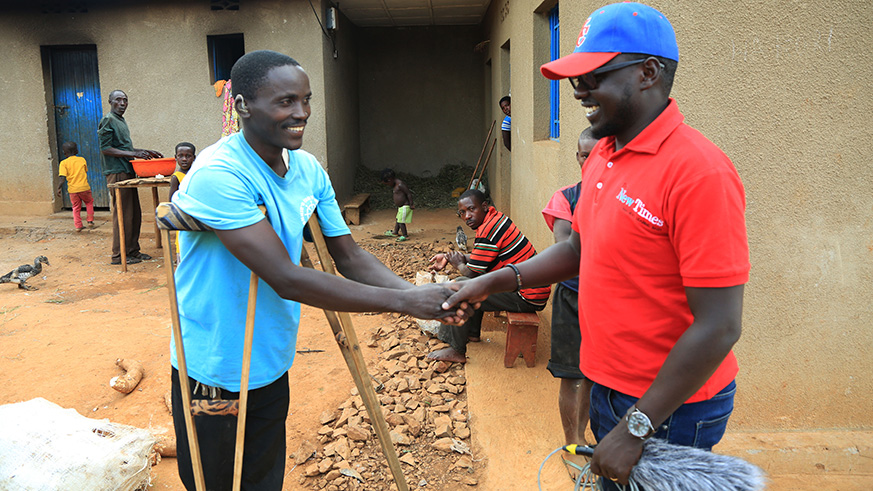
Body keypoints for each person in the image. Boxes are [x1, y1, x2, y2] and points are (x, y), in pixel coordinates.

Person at [442, 3, 749, 488]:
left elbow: (719, 326)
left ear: (648, 73)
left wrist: (637, 426)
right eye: (575, 77)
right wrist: (491, 281)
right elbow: (578, 251)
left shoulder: (699, 172)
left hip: (669, 408)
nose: (578, 88)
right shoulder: (604, 155)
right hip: (607, 384)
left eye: (594, 74)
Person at [169, 50, 472, 491]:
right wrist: (406, 302)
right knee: (213, 482)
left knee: (263, 478)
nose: (301, 113)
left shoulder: (307, 168)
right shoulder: (219, 174)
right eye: (285, 102)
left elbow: (349, 256)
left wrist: (424, 298)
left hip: (269, 359)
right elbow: (287, 278)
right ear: (242, 106)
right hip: (214, 367)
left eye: (306, 100)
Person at [427, 189, 551, 363]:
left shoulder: (489, 230)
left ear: (484, 206)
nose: (467, 216)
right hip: (528, 287)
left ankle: (456, 349)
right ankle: (472, 333)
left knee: (461, 286)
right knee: (473, 283)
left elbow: (472, 271)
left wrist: (459, 264)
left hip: (527, 296)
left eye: (472, 209)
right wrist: (452, 258)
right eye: (462, 213)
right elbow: (482, 258)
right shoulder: (496, 219)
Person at [540, 128, 598, 481]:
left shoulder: (619, 196)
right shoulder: (566, 198)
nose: (589, 160)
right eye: (583, 154)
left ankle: (583, 434)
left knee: (595, 374)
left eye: (597, 153)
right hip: (573, 297)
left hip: (606, 299)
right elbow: (566, 248)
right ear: (577, 157)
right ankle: (571, 442)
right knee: (571, 375)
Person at [98, 89, 163, 265]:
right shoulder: (108, 120)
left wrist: (142, 152)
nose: (122, 103)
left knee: (133, 213)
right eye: (118, 100)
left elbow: (122, 147)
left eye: (125, 100)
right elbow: (106, 148)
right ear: (110, 102)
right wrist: (133, 153)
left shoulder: (120, 120)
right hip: (116, 172)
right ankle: (119, 255)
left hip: (127, 170)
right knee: (123, 213)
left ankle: (132, 251)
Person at [56, 141, 94, 232]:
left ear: (64, 153)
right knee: (89, 202)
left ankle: (78, 226)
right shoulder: (82, 160)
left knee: (76, 207)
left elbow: (62, 178)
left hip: (73, 190)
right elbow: (85, 171)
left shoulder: (63, 163)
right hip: (84, 187)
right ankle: (90, 221)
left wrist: (58, 188)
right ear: (76, 151)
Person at [169, 142, 196, 262]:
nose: (184, 159)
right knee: (182, 243)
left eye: (188, 156)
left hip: (195, 215)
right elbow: (172, 200)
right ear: (176, 158)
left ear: (194, 158)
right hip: (182, 216)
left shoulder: (195, 175)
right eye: (181, 156)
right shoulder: (176, 177)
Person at [379, 168, 414, 242]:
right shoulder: (395, 185)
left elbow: (408, 193)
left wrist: (411, 204)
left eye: (387, 184)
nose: (388, 185)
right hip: (401, 207)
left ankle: (405, 235)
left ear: (389, 180)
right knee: (398, 219)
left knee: (401, 222)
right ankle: (395, 232)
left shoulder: (400, 184)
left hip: (405, 206)